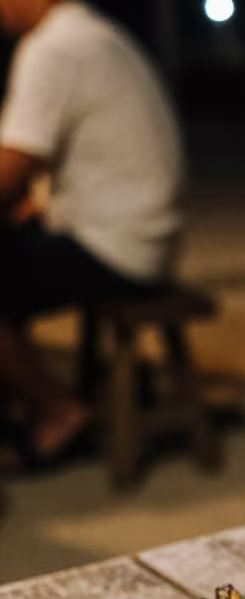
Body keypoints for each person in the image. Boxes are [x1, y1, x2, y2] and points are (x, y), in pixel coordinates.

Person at [0, 0, 185, 467]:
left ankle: (57, 410)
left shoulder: (53, 49)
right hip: (147, 234)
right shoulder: (95, 34)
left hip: (116, 245)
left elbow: (12, 166)